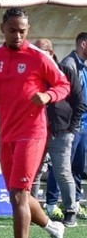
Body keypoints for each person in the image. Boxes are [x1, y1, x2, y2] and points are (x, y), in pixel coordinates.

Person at [0, 7, 70, 238]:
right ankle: (53, 228)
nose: (17, 35)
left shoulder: (39, 58)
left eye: (22, 31)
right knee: (20, 194)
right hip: (6, 133)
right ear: (2, 28)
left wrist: (48, 95)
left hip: (32, 133)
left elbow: (64, 84)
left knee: (19, 193)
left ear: (27, 31)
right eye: (12, 30)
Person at [32, 38, 85, 228]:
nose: (37, 55)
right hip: (37, 131)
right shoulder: (33, 73)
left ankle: (70, 211)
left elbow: (80, 102)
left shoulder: (66, 71)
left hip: (61, 131)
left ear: (51, 53)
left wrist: (71, 126)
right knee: (34, 172)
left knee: (63, 171)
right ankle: (32, 211)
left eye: (41, 51)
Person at [48, 33, 87, 222]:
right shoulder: (70, 64)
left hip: (73, 127)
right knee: (57, 168)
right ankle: (50, 205)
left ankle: (72, 206)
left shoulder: (75, 67)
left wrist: (74, 124)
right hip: (58, 128)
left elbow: (81, 99)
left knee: (72, 168)